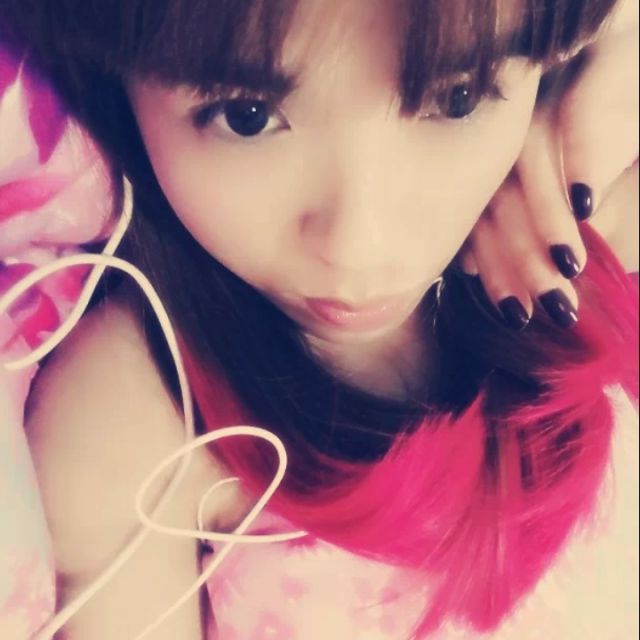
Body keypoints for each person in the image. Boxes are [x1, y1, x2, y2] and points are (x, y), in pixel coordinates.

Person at [1, 0, 637, 638]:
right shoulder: (136, 422)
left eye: (458, 97)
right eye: (246, 116)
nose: (359, 245)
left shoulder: (601, 209)